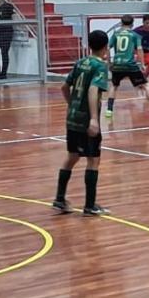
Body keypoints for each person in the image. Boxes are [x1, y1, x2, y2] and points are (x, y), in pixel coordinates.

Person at [54, 29, 111, 215]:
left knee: (72, 156)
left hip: (72, 118)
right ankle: (90, 205)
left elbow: (64, 87)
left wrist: (72, 105)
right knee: (93, 159)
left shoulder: (80, 62)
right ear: (105, 47)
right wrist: (94, 119)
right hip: (86, 119)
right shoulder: (100, 66)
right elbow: (94, 89)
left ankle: (60, 199)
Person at [104, 14, 149, 120]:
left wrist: (109, 62)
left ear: (121, 23)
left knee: (114, 86)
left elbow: (107, 48)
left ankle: (109, 110)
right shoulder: (134, 35)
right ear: (132, 24)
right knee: (146, 85)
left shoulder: (116, 34)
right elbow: (139, 50)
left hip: (117, 64)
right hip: (130, 65)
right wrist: (142, 64)